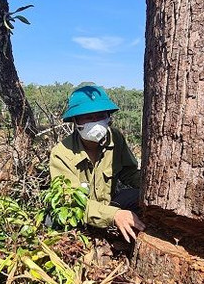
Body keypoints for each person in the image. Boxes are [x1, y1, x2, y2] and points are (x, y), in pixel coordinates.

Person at [49, 85, 146, 242]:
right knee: (52, 221)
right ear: (75, 120)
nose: (95, 121)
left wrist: (151, 187)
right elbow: (71, 204)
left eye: (100, 115)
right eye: (87, 117)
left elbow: (129, 172)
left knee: (138, 197)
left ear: (108, 117)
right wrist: (113, 215)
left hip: (109, 204)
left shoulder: (115, 138)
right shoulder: (61, 154)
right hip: (79, 216)